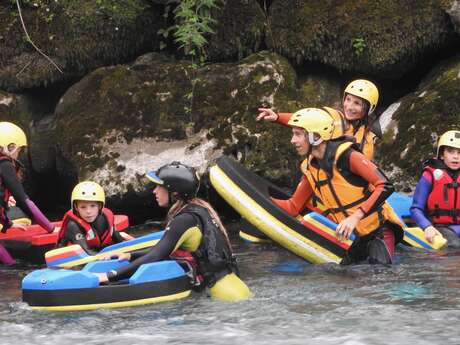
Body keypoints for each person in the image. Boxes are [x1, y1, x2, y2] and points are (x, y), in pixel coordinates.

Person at [94, 162, 252, 301]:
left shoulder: (183, 220)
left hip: (225, 297)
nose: (154, 191)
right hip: (235, 289)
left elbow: (157, 255)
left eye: (159, 186)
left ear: (174, 192)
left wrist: (110, 275)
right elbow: (164, 249)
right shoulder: (200, 210)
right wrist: (130, 255)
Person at [271, 108, 404, 264]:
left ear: (316, 136)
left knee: (377, 276)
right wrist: (261, 198)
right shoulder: (310, 168)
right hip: (352, 240)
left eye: (298, 134)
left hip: (379, 232)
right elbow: (293, 207)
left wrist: (355, 217)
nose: (292, 140)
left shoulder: (348, 156)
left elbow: (385, 185)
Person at [257, 79, 380, 160]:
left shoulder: (369, 137)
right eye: (348, 99)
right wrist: (277, 117)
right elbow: (305, 120)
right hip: (319, 177)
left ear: (369, 109)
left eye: (357, 103)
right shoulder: (333, 117)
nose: (349, 106)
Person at [0, 122, 56, 264]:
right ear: (10, 147)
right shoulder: (5, 165)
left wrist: (8, 223)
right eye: (19, 149)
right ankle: (11, 268)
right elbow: (24, 200)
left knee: (11, 264)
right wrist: (50, 228)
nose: (19, 153)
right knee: (13, 266)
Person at [410, 130, 460, 247]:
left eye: (459, 152)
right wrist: (427, 226)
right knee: (455, 247)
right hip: (440, 228)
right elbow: (415, 209)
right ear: (442, 154)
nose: (455, 156)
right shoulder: (430, 175)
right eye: (450, 151)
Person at [56, 181, 129, 255]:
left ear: (100, 206)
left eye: (93, 206)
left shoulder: (105, 218)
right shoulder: (73, 225)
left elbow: (120, 240)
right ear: (76, 207)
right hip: (74, 261)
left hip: (98, 251)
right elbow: (86, 253)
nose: (88, 211)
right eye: (83, 207)